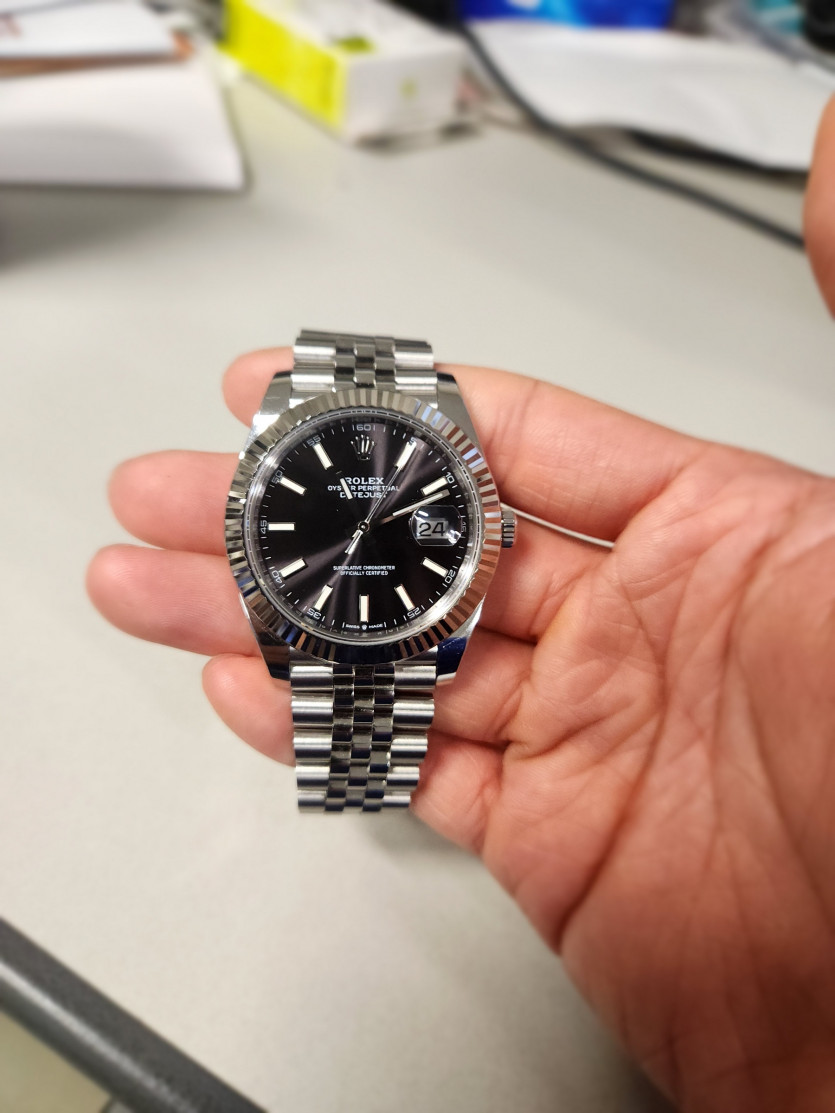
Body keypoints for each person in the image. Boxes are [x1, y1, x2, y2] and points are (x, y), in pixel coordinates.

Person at [87, 101, 835, 1113]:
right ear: (244, 531)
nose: (363, 528)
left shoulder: (461, 539)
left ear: (489, 537)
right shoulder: (344, 511)